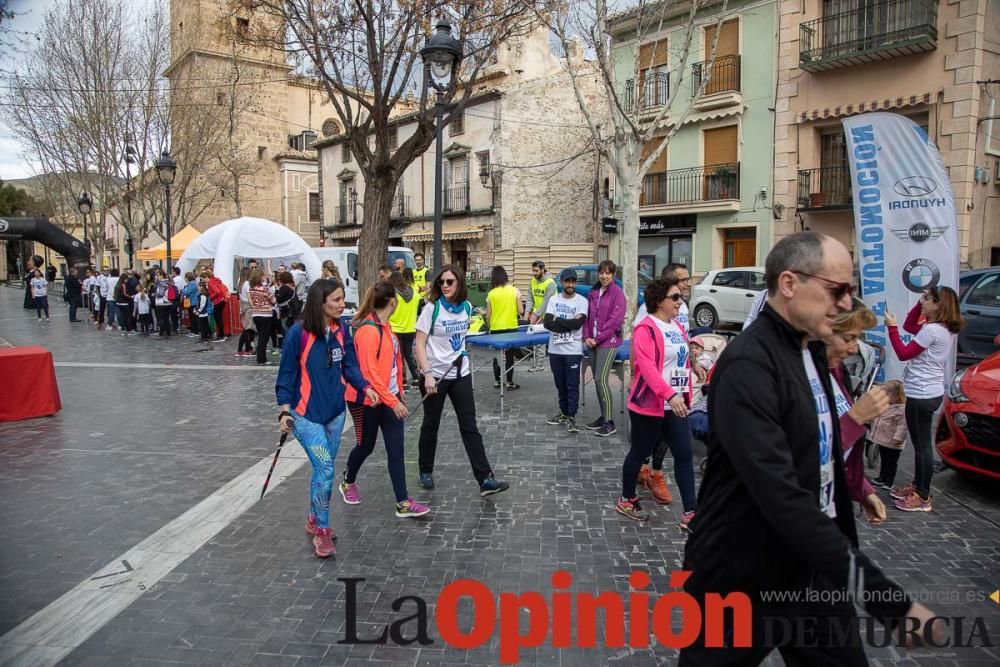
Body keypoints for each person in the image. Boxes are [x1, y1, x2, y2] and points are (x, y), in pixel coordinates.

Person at [679, 232, 938, 665]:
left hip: (812, 574)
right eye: (837, 289)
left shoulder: (812, 348)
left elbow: (817, 448)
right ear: (789, 284)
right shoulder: (749, 365)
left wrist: (856, 488)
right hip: (740, 580)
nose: (845, 302)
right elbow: (782, 497)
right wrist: (887, 602)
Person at [276, 278, 375, 558]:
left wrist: (365, 387)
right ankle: (321, 530)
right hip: (305, 415)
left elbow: (350, 365)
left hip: (335, 413)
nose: (343, 304)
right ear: (320, 303)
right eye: (337, 300)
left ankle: (312, 518)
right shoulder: (299, 333)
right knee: (327, 469)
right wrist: (284, 409)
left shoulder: (342, 329)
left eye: (343, 299)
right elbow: (286, 375)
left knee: (324, 470)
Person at [414, 266, 510, 496]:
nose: (445, 286)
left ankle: (485, 478)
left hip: (460, 374)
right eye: (442, 282)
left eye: (450, 282)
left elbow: (460, 338)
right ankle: (425, 470)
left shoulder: (466, 308)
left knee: (469, 426)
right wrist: (427, 373)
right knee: (431, 424)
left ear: (459, 284)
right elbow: (419, 344)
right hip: (435, 376)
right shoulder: (431, 309)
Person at [341, 282, 430, 518]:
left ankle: (402, 502)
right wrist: (393, 400)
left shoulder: (386, 326)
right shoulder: (369, 330)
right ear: (392, 301)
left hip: (389, 397)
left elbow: (393, 365)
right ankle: (347, 482)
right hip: (365, 400)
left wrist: (398, 393)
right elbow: (370, 374)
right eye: (398, 298)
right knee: (365, 446)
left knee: (396, 450)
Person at [616, 277, 697, 526]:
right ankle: (627, 499)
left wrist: (695, 365)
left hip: (676, 405)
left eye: (680, 297)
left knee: (684, 455)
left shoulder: (677, 327)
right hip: (649, 406)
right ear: (659, 301)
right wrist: (669, 395)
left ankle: (691, 513)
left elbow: (680, 356)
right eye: (675, 297)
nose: (679, 301)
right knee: (639, 453)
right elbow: (648, 369)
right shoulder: (646, 328)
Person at [884, 286, 965, 512]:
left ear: (938, 304)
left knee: (922, 447)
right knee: (921, 445)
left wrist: (891, 329)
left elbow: (903, 353)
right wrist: (919, 305)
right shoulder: (939, 328)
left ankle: (923, 496)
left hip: (921, 393)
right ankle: (918, 486)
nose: (923, 302)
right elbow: (910, 326)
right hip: (928, 391)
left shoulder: (933, 331)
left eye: (927, 299)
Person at [824, 301, 891, 525]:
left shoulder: (836, 370)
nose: (854, 349)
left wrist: (862, 490)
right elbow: (801, 454)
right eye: (848, 338)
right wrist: (857, 418)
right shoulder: (793, 374)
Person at [637, 263, 694, 501]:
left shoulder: (682, 308)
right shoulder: (647, 312)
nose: (688, 283)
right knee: (648, 438)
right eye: (684, 280)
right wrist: (634, 376)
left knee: (671, 443)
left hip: (677, 388)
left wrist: (695, 364)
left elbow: (684, 340)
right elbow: (640, 343)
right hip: (656, 390)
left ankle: (656, 474)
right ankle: (642, 468)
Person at [584, 260, 626, 437]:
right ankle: (603, 416)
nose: (604, 276)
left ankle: (610, 422)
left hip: (608, 342)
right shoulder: (594, 292)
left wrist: (597, 338)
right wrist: (587, 336)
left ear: (614, 275)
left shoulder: (618, 294)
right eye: (602, 272)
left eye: (608, 273)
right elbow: (588, 317)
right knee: (597, 380)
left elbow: (614, 322)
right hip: (592, 342)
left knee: (601, 379)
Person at [542, 271, 588, 433]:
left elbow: (578, 325)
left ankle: (572, 417)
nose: (570, 285)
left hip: (573, 350)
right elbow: (547, 323)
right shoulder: (554, 300)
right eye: (567, 281)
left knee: (572, 385)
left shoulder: (582, 301)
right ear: (561, 282)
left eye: (573, 282)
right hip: (555, 350)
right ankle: (563, 412)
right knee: (560, 384)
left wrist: (558, 320)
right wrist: (569, 322)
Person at [485, 265, 524, 390]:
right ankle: (509, 382)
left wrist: (489, 327)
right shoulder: (515, 291)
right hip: (511, 328)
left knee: (497, 355)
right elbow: (521, 310)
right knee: (509, 356)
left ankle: (497, 380)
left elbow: (488, 316)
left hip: (496, 329)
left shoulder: (491, 294)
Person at [631, 263, 691, 333]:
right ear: (670, 281)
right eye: (684, 280)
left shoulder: (683, 305)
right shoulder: (648, 307)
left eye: (689, 279)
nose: (689, 284)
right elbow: (637, 334)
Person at [870, 381, 908, 490]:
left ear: (896, 396)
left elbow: (903, 426)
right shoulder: (886, 406)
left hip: (893, 442)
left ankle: (889, 481)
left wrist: (898, 438)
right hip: (883, 439)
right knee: (884, 459)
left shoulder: (901, 410)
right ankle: (882, 477)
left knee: (891, 462)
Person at [388, 269, 421, 387]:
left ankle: (402, 380)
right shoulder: (415, 293)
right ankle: (417, 377)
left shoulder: (394, 295)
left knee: (399, 356)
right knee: (409, 354)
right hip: (411, 328)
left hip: (395, 328)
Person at [527, 261, 557, 372]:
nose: (534, 273)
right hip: (538, 314)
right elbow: (530, 298)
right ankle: (537, 363)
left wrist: (536, 314)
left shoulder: (550, 283)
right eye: (533, 270)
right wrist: (527, 311)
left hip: (550, 315)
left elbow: (546, 302)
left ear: (543, 269)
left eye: (536, 271)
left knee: (546, 340)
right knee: (537, 340)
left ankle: (540, 363)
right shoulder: (533, 281)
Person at [248, 270, 276, 365]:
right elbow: (273, 300)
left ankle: (260, 357)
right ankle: (261, 359)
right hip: (265, 314)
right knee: (265, 337)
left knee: (261, 336)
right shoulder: (264, 289)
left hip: (256, 314)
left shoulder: (251, 289)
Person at [235, 267, 256, 357]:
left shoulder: (240, 284)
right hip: (249, 307)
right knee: (248, 329)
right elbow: (249, 296)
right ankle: (248, 349)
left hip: (244, 306)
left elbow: (240, 298)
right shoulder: (247, 284)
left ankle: (240, 349)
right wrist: (254, 305)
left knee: (246, 329)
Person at [205, 269, 229, 342]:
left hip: (217, 302)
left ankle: (221, 335)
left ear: (206, 277)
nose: (203, 280)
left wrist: (211, 296)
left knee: (218, 318)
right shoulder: (215, 280)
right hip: (222, 300)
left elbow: (217, 292)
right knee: (219, 318)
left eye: (203, 279)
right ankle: (221, 334)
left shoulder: (210, 282)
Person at [153, 271, 173, 337]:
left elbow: (160, 294)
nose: (157, 277)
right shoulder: (169, 282)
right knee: (167, 318)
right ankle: (168, 332)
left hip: (161, 303)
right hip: (169, 302)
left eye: (158, 275)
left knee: (161, 318)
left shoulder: (162, 283)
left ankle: (161, 332)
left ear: (161, 276)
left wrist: (154, 294)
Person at [182, 272, 200, 337]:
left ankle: (195, 331)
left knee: (193, 317)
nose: (184, 278)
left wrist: (182, 290)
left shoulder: (192, 284)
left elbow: (187, 292)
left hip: (193, 302)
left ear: (188, 278)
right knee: (192, 317)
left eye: (185, 277)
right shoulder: (192, 283)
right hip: (191, 302)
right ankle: (193, 330)